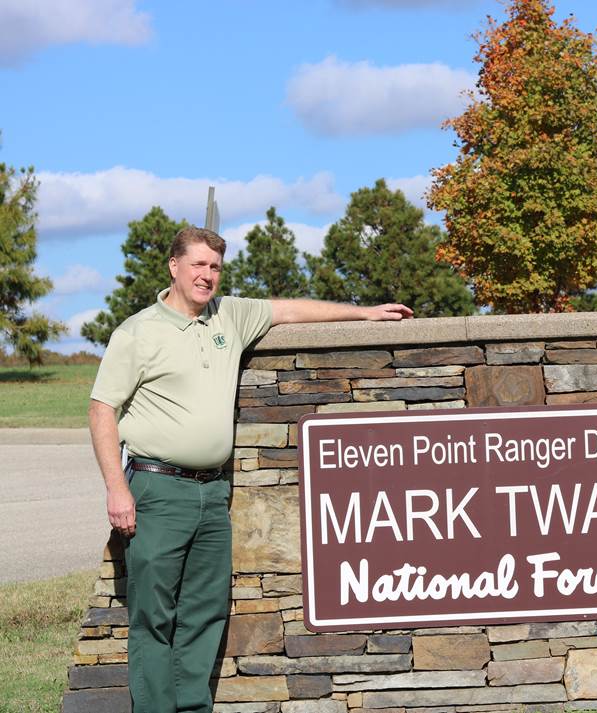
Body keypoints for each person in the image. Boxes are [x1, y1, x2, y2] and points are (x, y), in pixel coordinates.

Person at [88, 227, 412, 713]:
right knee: (154, 618)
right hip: (157, 490)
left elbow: (290, 310)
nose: (207, 275)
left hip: (213, 495)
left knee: (204, 613)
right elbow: (101, 409)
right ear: (173, 267)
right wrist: (117, 488)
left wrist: (363, 313)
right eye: (198, 265)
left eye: (215, 267)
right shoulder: (137, 332)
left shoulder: (230, 316)